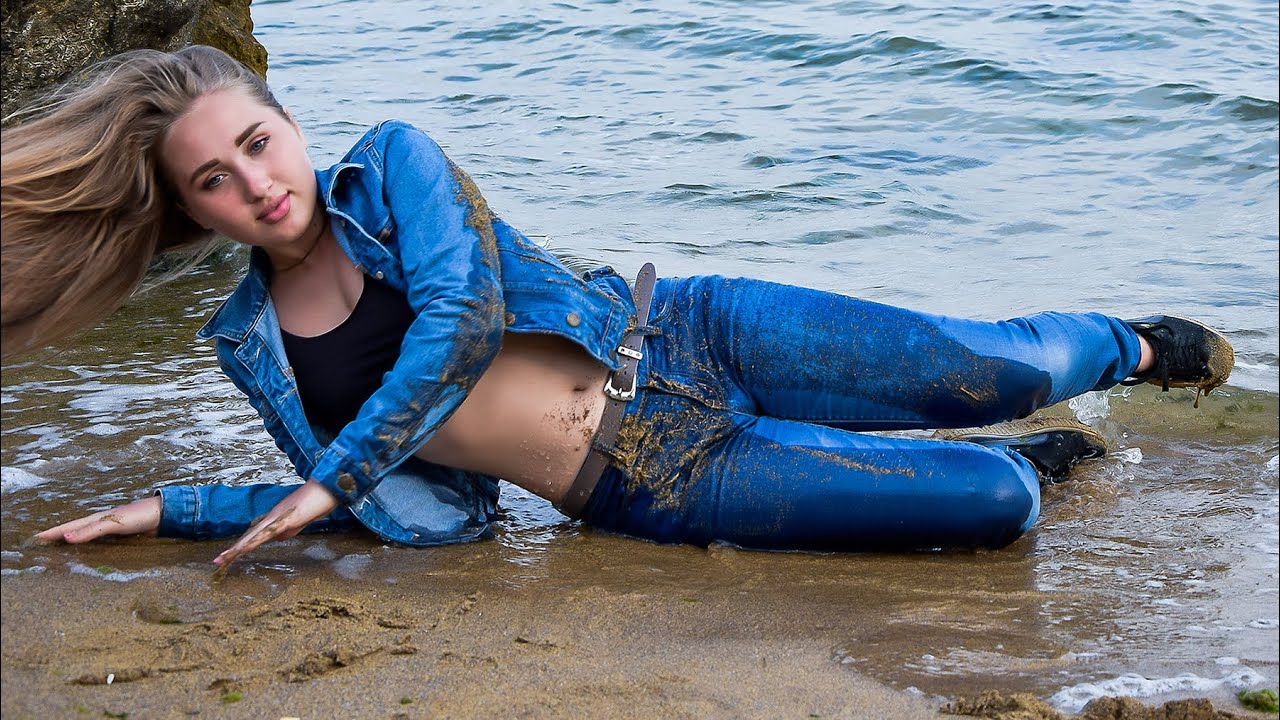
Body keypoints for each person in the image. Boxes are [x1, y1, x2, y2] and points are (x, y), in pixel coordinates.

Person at [1, 46, 1235, 571]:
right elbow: (360, 495)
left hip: (687, 329)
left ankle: (1126, 343)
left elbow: (461, 316)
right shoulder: (248, 344)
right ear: (191, 210)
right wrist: (168, 507)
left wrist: (334, 475)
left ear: (290, 122)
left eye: (260, 144)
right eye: (215, 179)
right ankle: (1016, 460)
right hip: (648, 481)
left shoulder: (396, 164)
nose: (259, 185)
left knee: (988, 367)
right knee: (998, 503)